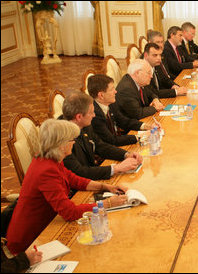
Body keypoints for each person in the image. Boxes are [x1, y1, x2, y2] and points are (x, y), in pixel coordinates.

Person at [6, 119, 129, 254]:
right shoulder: (46, 170)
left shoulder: (50, 159)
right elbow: (69, 213)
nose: (74, 142)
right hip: (30, 240)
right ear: (61, 144)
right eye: (72, 139)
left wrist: (105, 186)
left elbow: (73, 179)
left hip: (47, 225)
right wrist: (107, 203)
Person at [61, 91, 143, 181]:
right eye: (91, 112)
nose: (94, 115)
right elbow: (79, 172)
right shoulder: (61, 139)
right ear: (79, 117)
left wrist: (126, 154)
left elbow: (100, 146)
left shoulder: (84, 124)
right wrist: (116, 168)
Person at [88, 74, 156, 146]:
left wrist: (147, 126)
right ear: (101, 95)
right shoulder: (94, 114)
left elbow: (124, 121)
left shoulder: (110, 103)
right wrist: (140, 136)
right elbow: (112, 140)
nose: (115, 91)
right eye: (111, 89)